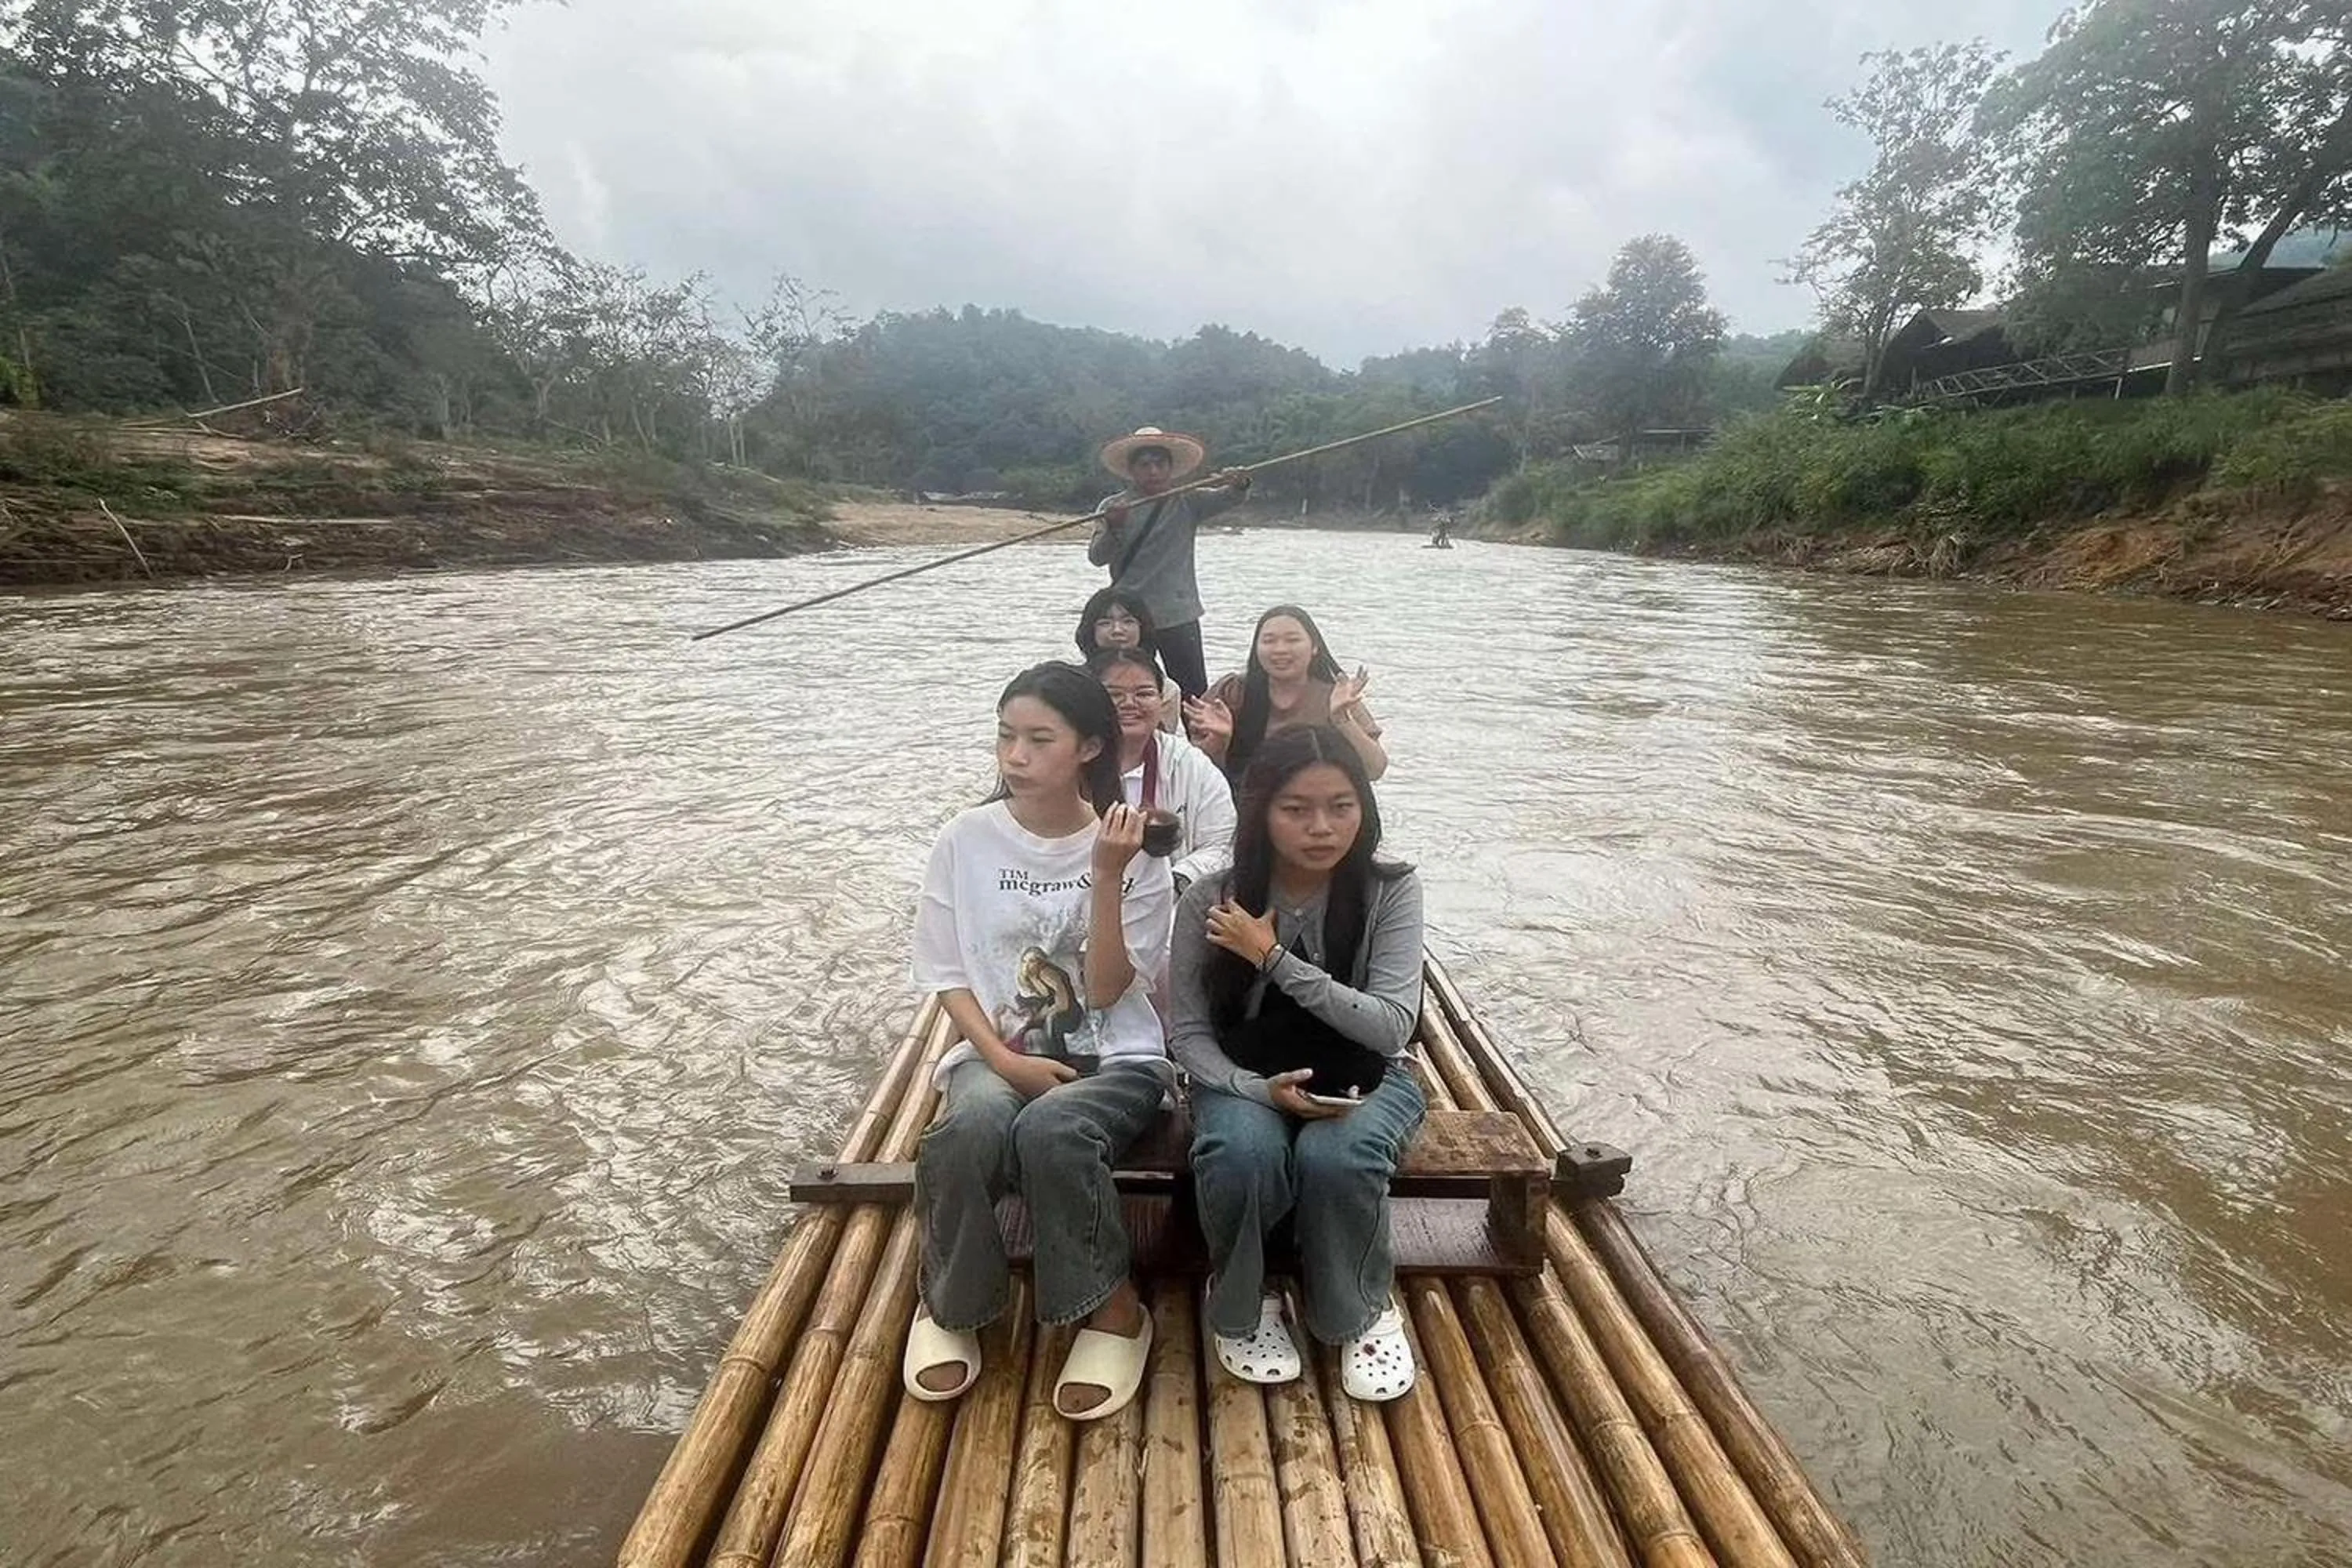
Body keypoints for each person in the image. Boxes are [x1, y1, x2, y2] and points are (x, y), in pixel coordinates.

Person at [902, 662, 1174, 1423]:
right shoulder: (965, 839)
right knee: (966, 1129)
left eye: (1037, 738)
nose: (1014, 754)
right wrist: (1005, 1059)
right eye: (1005, 735)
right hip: (1004, 1046)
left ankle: (1115, 1310)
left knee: (1054, 1127)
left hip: (1117, 1057)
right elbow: (948, 971)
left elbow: (1115, 988)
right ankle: (956, 1304)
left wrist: (1107, 874)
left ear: (1089, 746)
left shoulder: (1133, 846)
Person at [1167, 725, 1427, 1402]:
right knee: (1242, 1151)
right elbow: (1189, 1035)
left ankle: (1361, 1307)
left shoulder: (1390, 890)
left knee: (1336, 1157)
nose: (1322, 827)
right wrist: (1254, 1090)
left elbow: (1393, 1024)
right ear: (1261, 811)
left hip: (1369, 1073)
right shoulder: (1210, 897)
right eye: (1297, 808)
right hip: (1245, 1072)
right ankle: (1242, 1300)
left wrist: (1272, 959)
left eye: (1341, 806)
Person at [1087, 426, 1253, 701]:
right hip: (1130, 619)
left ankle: (1202, 743)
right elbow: (1097, 557)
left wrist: (1240, 482)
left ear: (1170, 468)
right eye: (1145, 465)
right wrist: (1115, 527)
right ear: (1132, 470)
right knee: (1127, 690)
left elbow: (1230, 496)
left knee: (1194, 694)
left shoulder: (1188, 501)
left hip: (1179, 614)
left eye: (1159, 464)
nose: (1153, 471)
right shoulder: (1114, 506)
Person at [1090, 647, 1236, 891]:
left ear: (1162, 700)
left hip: (1171, 903)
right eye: (1114, 694)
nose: (1129, 704)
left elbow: (1222, 843)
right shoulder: (1068, 760)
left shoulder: (1189, 762)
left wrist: (1174, 882)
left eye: (1144, 693)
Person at [1189, 604, 1386, 784]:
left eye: (1292, 640)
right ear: (1256, 648)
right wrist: (1219, 742)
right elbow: (1192, 771)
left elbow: (1374, 770)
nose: (1280, 650)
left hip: (1317, 801)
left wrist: (1342, 719)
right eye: (1269, 641)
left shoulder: (1339, 696)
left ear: (1315, 647)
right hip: (1246, 802)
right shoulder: (1232, 691)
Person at [1074, 585, 1181, 733]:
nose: (1117, 630)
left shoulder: (1166, 689)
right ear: (1091, 631)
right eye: (1105, 623)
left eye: (1128, 621)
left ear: (1142, 629)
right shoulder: (1074, 684)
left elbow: (1163, 742)